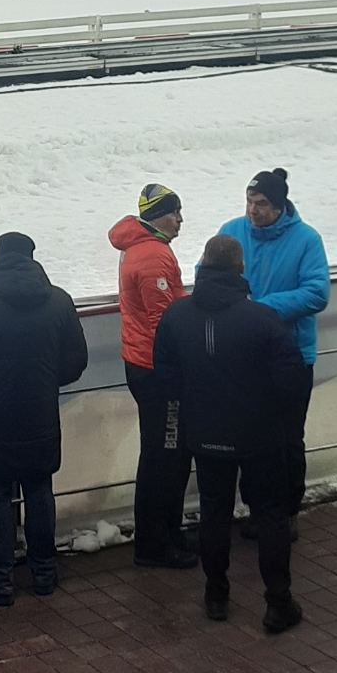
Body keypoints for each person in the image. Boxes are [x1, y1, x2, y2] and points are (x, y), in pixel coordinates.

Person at [154, 235, 306, 633]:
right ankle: (278, 603)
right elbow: (291, 381)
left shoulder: (176, 316)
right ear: (241, 269)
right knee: (271, 516)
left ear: (203, 265)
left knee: (214, 512)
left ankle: (216, 594)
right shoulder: (263, 319)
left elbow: (165, 375)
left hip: (205, 432)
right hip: (260, 436)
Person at [0, 232, 88, 606]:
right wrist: (45, 381)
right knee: (40, 489)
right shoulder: (59, 302)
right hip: (39, 414)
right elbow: (76, 361)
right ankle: (43, 572)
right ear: (32, 258)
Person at [219, 168, 329, 535]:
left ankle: (286, 512)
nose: (253, 210)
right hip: (244, 358)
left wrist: (260, 309)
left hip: (291, 358)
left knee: (287, 439)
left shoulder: (306, 240)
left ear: (280, 205)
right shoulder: (231, 232)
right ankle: (257, 509)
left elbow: (317, 292)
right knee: (250, 436)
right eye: (249, 202)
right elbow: (209, 274)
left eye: (262, 203)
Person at [108, 185, 197, 569]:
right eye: (175, 212)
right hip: (159, 371)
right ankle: (154, 543)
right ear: (158, 215)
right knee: (166, 457)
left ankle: (166, 532)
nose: (180, 220)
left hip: (142, 362)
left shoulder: (142, 246)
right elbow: (165, 323)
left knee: (166, 453)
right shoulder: (153, 256)